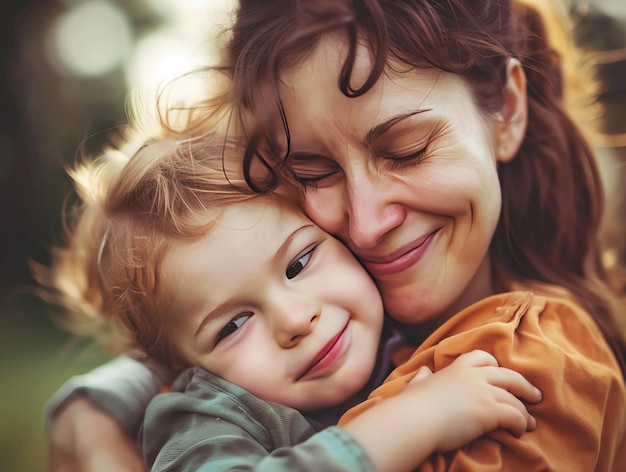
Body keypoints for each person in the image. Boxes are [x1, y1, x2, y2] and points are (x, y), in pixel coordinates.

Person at [46, 0, 626, 470]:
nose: (367, 223)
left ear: (505, 109)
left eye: (406, 151)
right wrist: (94, 408)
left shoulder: (532, 360)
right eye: (313, 173)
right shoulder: (362, 327)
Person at [44, 128, 540, 472]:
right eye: (232, 326)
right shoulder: (211, 418)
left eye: (299, 263)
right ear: (179, 372)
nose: (295, 320)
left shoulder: (405, 308)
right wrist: (414, 422)